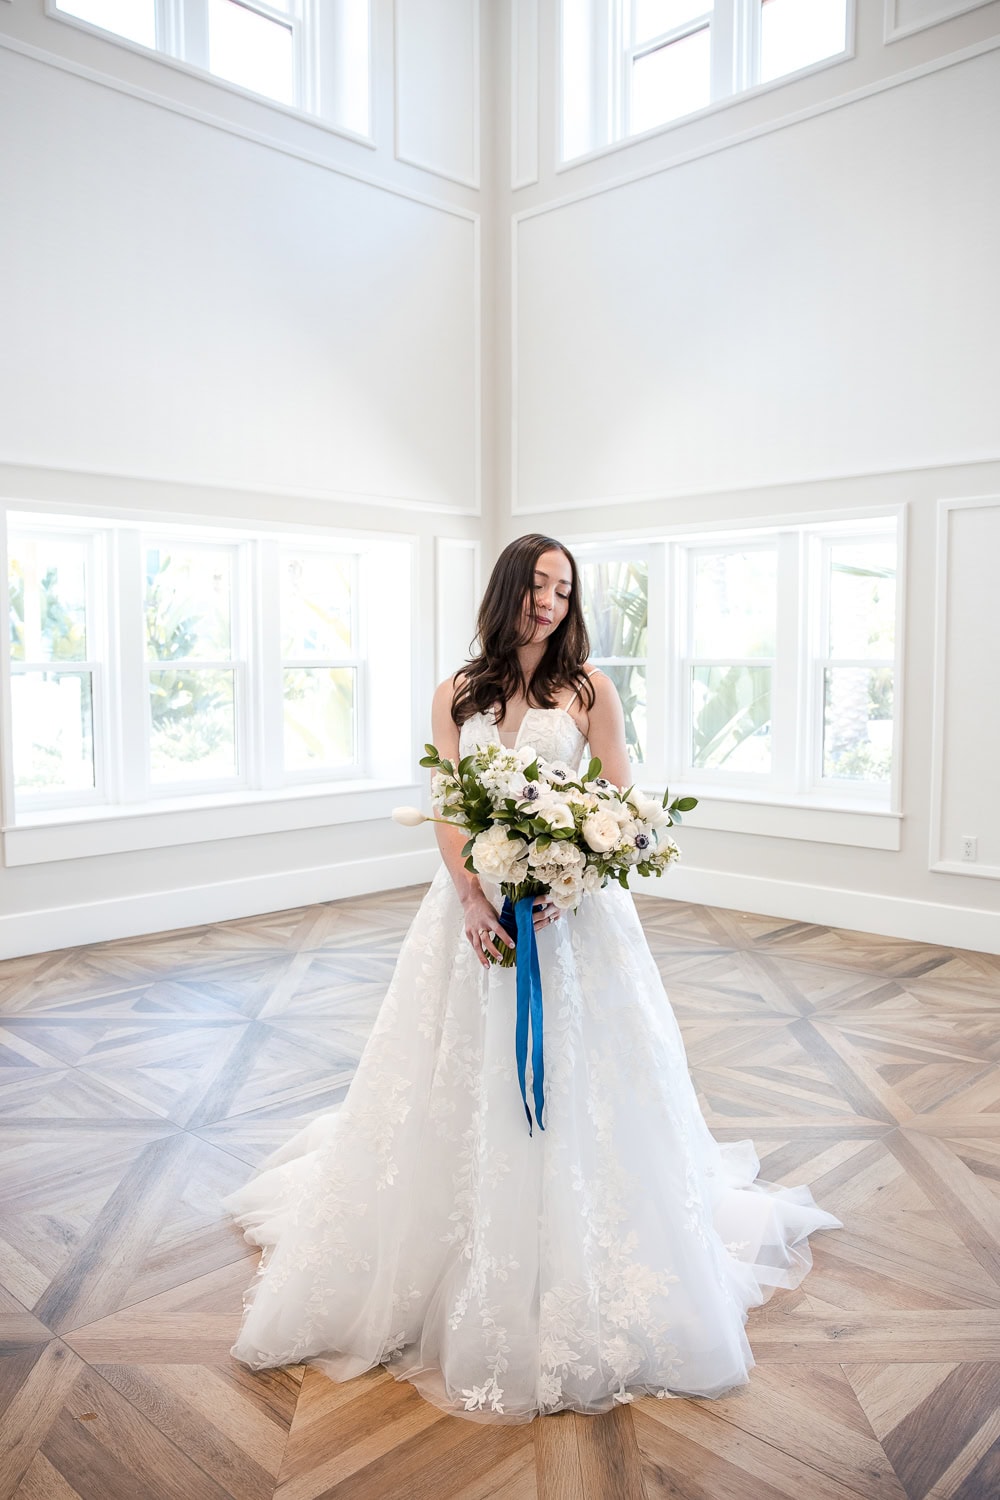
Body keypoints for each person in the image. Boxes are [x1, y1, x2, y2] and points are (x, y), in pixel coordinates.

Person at [221, 532, 841, 1423]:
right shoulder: (457, 694)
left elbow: (625, 811)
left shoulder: (589, 690)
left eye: (564, 587)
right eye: (539, 583)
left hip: (570, 923)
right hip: (470, 920)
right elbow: (445, 810)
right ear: (510, 587)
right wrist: (472, 897)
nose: (551, 599)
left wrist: (570, 879)